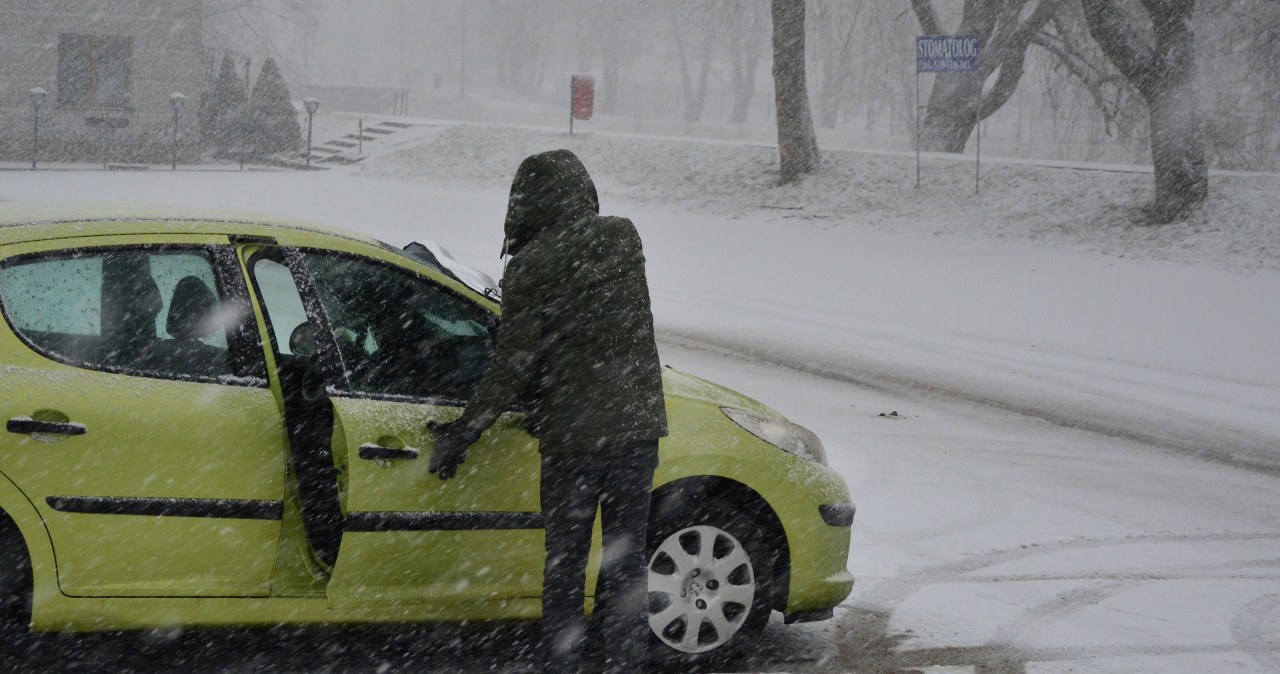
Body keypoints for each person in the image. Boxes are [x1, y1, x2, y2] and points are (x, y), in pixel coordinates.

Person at [428, 149, 668, 674]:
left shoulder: (529, 267)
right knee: (626, 563)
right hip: (636, 432)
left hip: (574, 442)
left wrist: (464, 432)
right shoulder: (624, 237)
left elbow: (513, 364)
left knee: (565, 566)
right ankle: (624, 664)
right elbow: (603, 327)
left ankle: (564, 664)